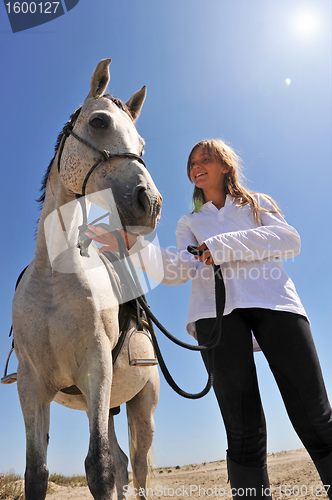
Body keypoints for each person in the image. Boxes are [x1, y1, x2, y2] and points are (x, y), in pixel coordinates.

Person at [86, 138, 332, 499]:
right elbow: (178, 268)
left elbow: (287, 239)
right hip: (213, 317)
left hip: (276, 304)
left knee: (316, 416)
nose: (196, 165)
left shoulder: (256, 203)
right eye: (192, 162)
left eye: (206, 158)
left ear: (226, 165)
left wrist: (219, 247)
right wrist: (129, 244)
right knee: (243, 430)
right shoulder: (190, 222)